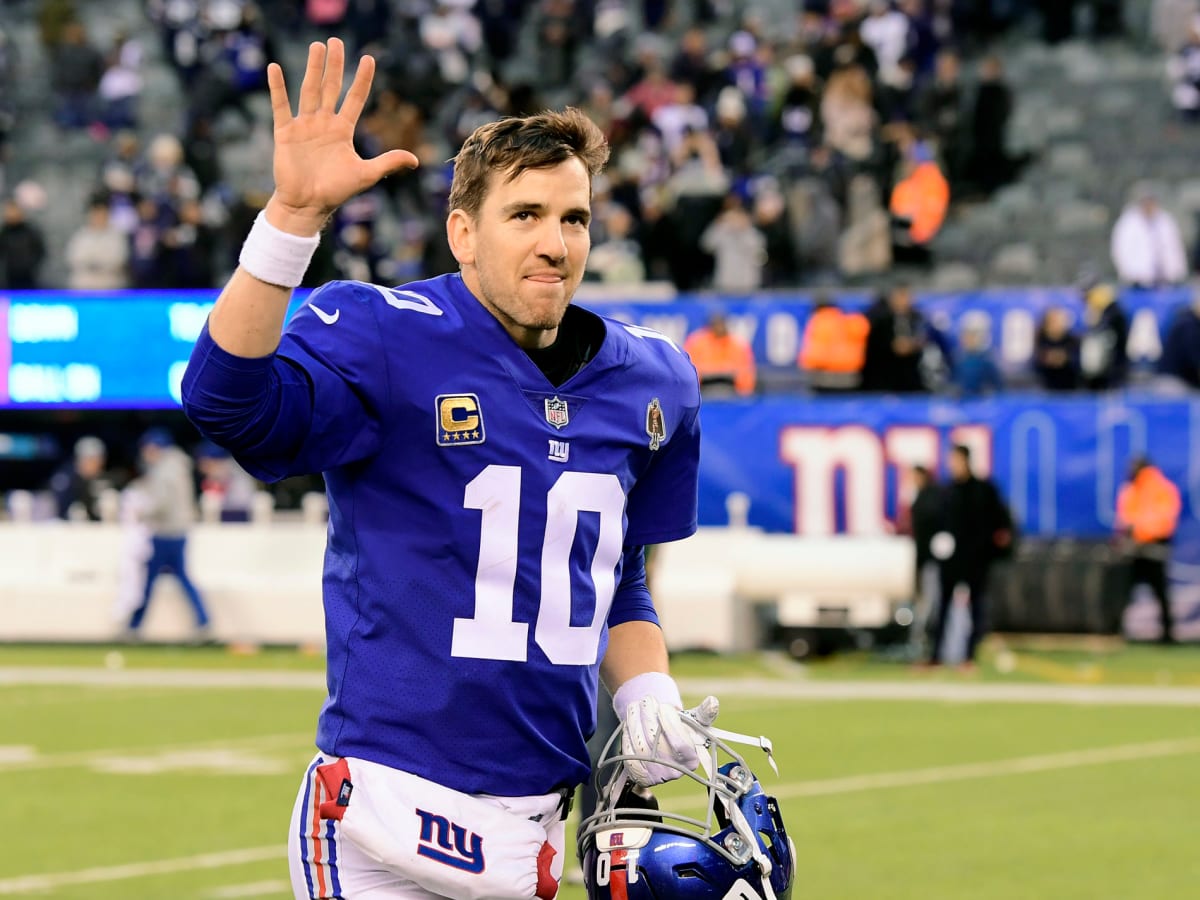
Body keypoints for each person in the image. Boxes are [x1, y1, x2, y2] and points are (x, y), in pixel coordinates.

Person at [179, 38, 709, 900]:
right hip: (384, 821)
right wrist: (290, 219)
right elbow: (223, 400)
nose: (555, 243)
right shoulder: (389, 336)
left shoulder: (654, 381)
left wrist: (647, 684)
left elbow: (617, 576)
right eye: (526, 214)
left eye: (573, 218)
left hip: (536, 827)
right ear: (463, 233)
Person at [926, 444, 1013, 670]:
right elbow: (937, 525)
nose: (952, 465)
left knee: (976, 608)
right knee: (942, 607)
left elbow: (1001, 523)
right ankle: (935, 656)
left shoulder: (983, 490)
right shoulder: (947, 491)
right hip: (951, 562)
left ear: (965, 460)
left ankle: (968, 657)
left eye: (955, 460)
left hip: (975, 560)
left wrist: (993, 548)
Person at [125, 428, 211, 639]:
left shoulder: (164, 470)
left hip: (165, 533)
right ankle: (203, 621)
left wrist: (142, 513)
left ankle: (134, 626)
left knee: (149, 579)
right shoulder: (178, 466)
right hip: (179, 531)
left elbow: (161, 504)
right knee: (180, 578)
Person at [1116, 457, 1182, 644]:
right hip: (1135, 549)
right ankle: (1118, 630)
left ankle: (1167, 633)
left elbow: (1163, 520)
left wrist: (1139, 533)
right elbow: (1125, 517)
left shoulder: (1160, 489)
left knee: (1158, 591)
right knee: (1126, 590)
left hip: (1153, 548)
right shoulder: (1131, 489)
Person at [1110, 182, 1189, 289]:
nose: (1149, 205)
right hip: (1138, 280)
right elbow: (1120, 250)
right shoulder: (1128, 223)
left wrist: (1178, 271)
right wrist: (1127, 273)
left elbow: (1175, 247)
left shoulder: (1165, 220)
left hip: (1165, 280)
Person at [683, 311, 757, 396]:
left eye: (721, 324)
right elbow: (688, 374)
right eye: (715, 324)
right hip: (702, 394)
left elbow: (747, 378)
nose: (719, 327)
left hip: (733, 395)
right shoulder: (696, 342)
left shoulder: (739, 345)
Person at [49, 435, 113, 521]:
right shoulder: (66, 479)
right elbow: (59, 507)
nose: (92, 463)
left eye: (96, 459)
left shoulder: (108, 478)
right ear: (79, 459)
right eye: (88, 459)